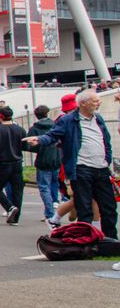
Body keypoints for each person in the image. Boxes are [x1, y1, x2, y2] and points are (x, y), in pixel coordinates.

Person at [25, 89, 117, 241]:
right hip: (81, 168)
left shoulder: (98, 119)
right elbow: (53, 135)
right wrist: (40, 140)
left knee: (109, 207)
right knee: (84, 207)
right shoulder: (68, 120)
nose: (98, 103)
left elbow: (105, 140)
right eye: (94, 101)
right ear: (83, 103)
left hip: (101, 168)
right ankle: (86, 240)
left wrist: (107, 159)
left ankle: (111, 239)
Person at [26, 104, 62, 227]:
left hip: (43, 160)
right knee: (54, 183)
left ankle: (49, 213)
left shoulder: (34, 129)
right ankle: (55, 202)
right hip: (57, 158)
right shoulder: (56, 125)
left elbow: (28, 145)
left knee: (44, 187)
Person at [0, 106, 26, 225]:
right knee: (17, 190)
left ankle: (10, 208)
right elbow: (25, 146)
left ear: (0, 116)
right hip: (17, 163)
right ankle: (16, 218)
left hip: (3, 164)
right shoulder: (19, 129)